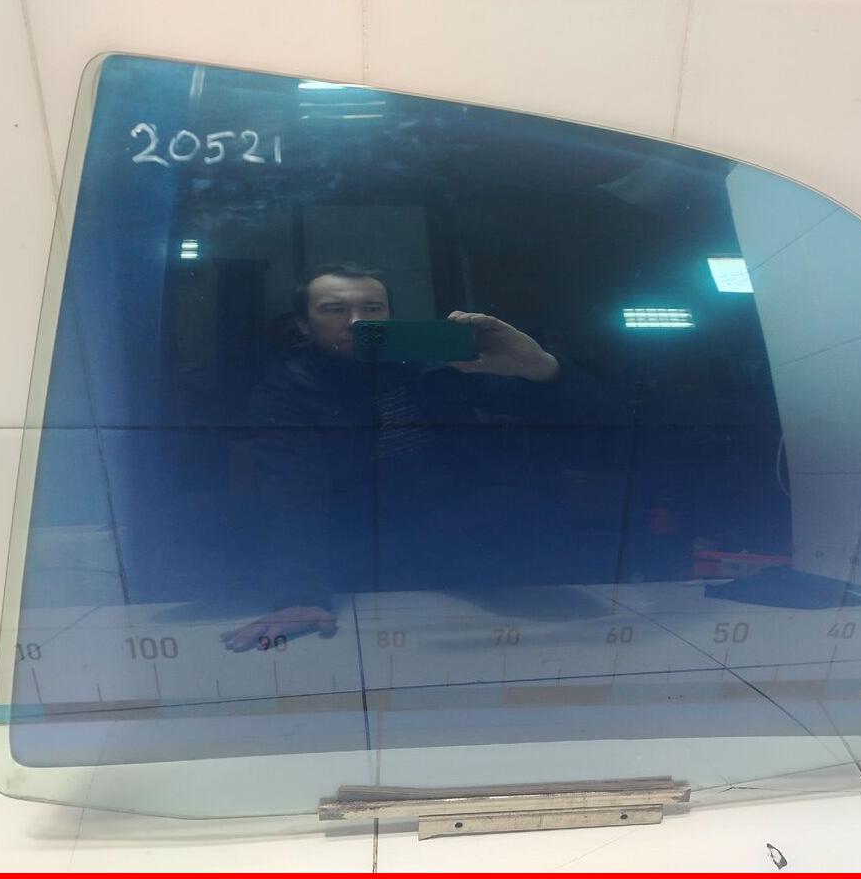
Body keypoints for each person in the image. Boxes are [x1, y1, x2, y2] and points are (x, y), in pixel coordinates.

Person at [221, 262, 618, 652]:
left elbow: (592, 418)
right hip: (347, 539)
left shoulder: (431, 362)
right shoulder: (286, 388)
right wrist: (298, 595)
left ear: (389, 316)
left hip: (452, 532)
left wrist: (541, 367)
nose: (356, 322)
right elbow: (291, 489)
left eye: (372, 308)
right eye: (334, 309)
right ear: (304, 325)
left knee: (518, 506)